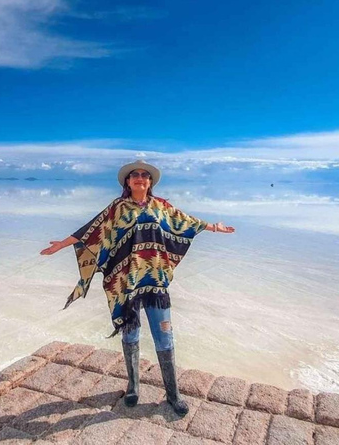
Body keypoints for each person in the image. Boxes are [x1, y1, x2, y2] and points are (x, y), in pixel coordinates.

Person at [40, 160, 235, 416]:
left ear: (150, 182)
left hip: (155, 283)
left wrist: (214, 228)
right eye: (135, 175)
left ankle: (173, 393)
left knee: (164, 336)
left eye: (145, 175)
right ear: (128, 182)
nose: (140, 178)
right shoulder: (117, 208)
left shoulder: (161, 206)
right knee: (130, 336)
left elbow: (186, 222)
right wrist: (62, 244)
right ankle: (133, 387)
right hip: (127, 285)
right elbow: (91, 229)